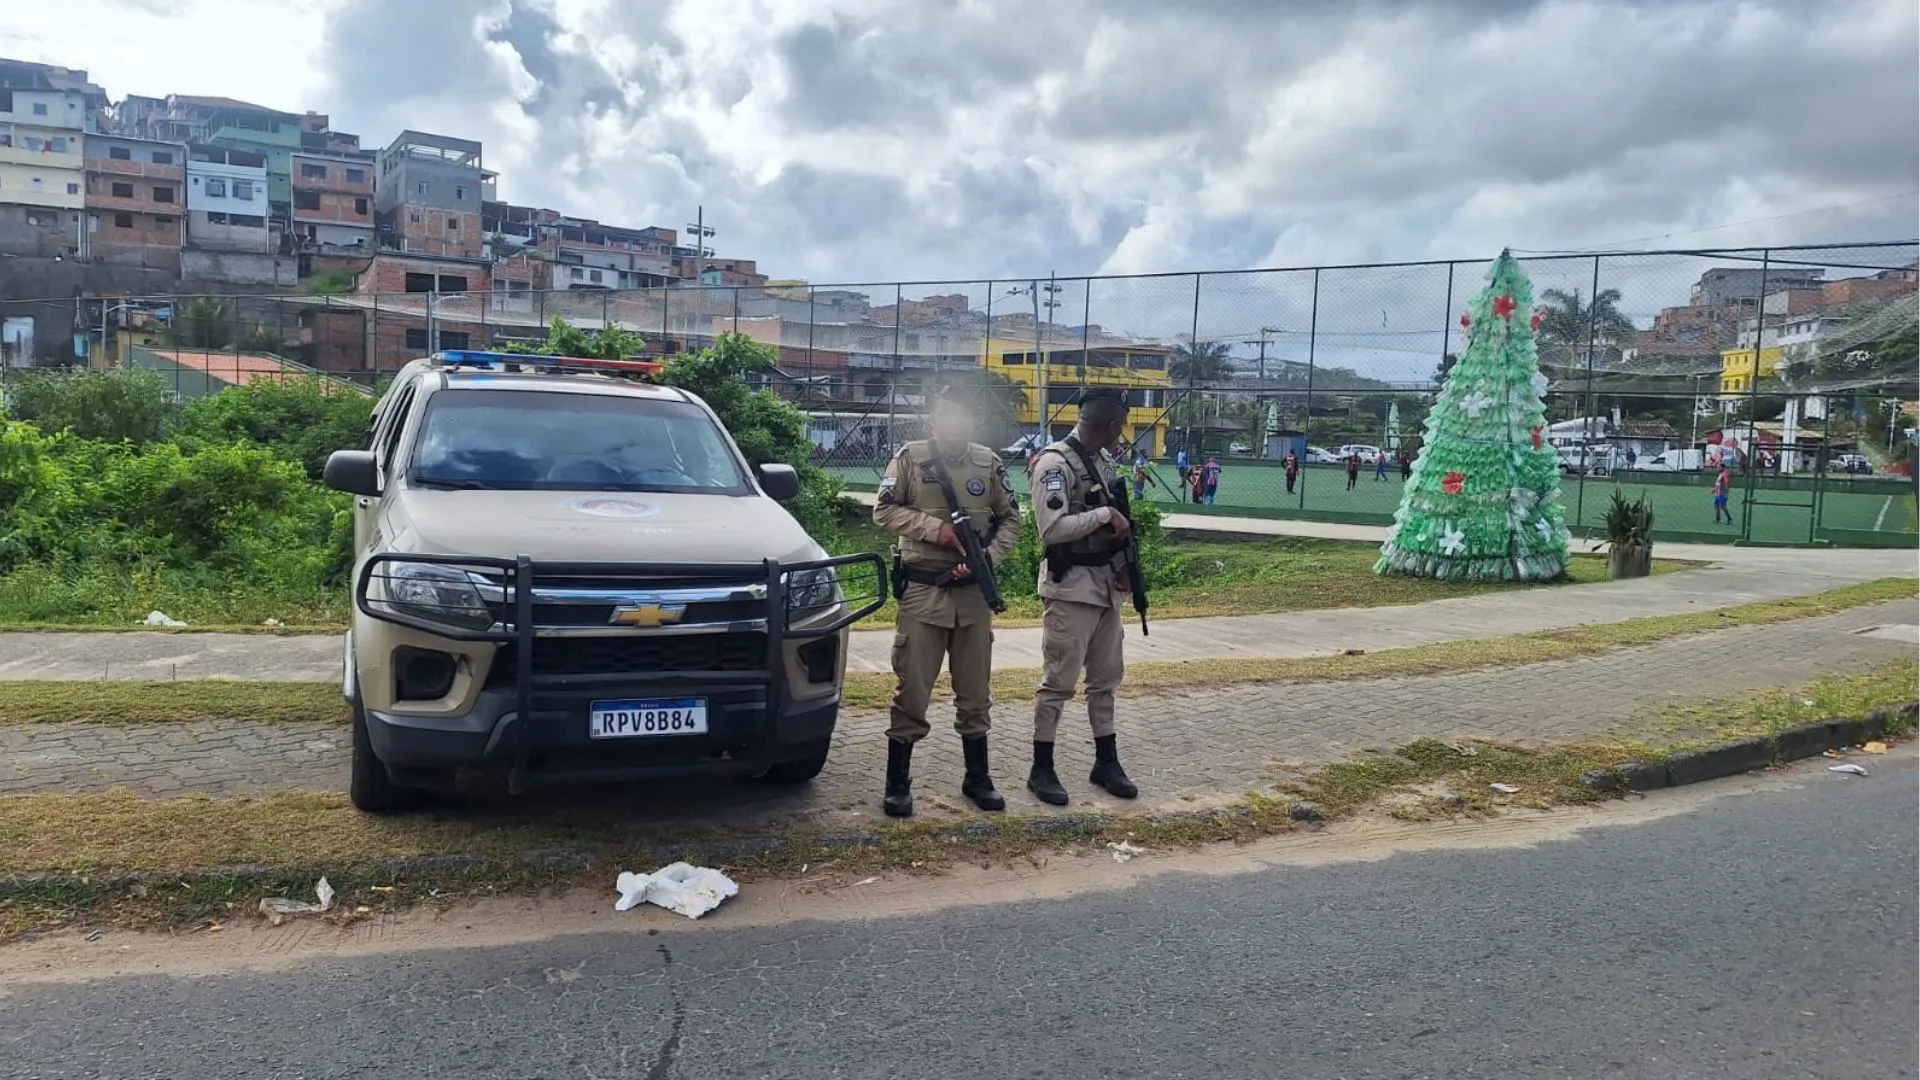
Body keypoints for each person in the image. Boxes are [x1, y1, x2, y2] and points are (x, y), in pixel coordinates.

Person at [871, 387, 1021, 818]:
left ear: (972, 423)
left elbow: (1011, 518)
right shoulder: (910, 458)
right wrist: (937, 531)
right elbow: (883, 511)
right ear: (935, 423)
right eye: (947, 418)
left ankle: (978, 778)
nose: (956, 426)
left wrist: (986, 559)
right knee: (912, 692)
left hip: (974, 596)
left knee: (975, 692)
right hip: (924, 594)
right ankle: (897, 784)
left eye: (964, 418)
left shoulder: (987, 462)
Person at [1027, 387, 1139, 806]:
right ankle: (1041, 768)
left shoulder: (1103, 462)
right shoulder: (1054, 464)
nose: (1122, 433)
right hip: (1071, 588)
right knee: (1058, 682)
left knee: (1106, 679)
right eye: (1121, 425)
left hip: (1107, 587)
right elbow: (1051, 529)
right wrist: (1104, 515)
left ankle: (1105, 761)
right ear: (1110, 424)